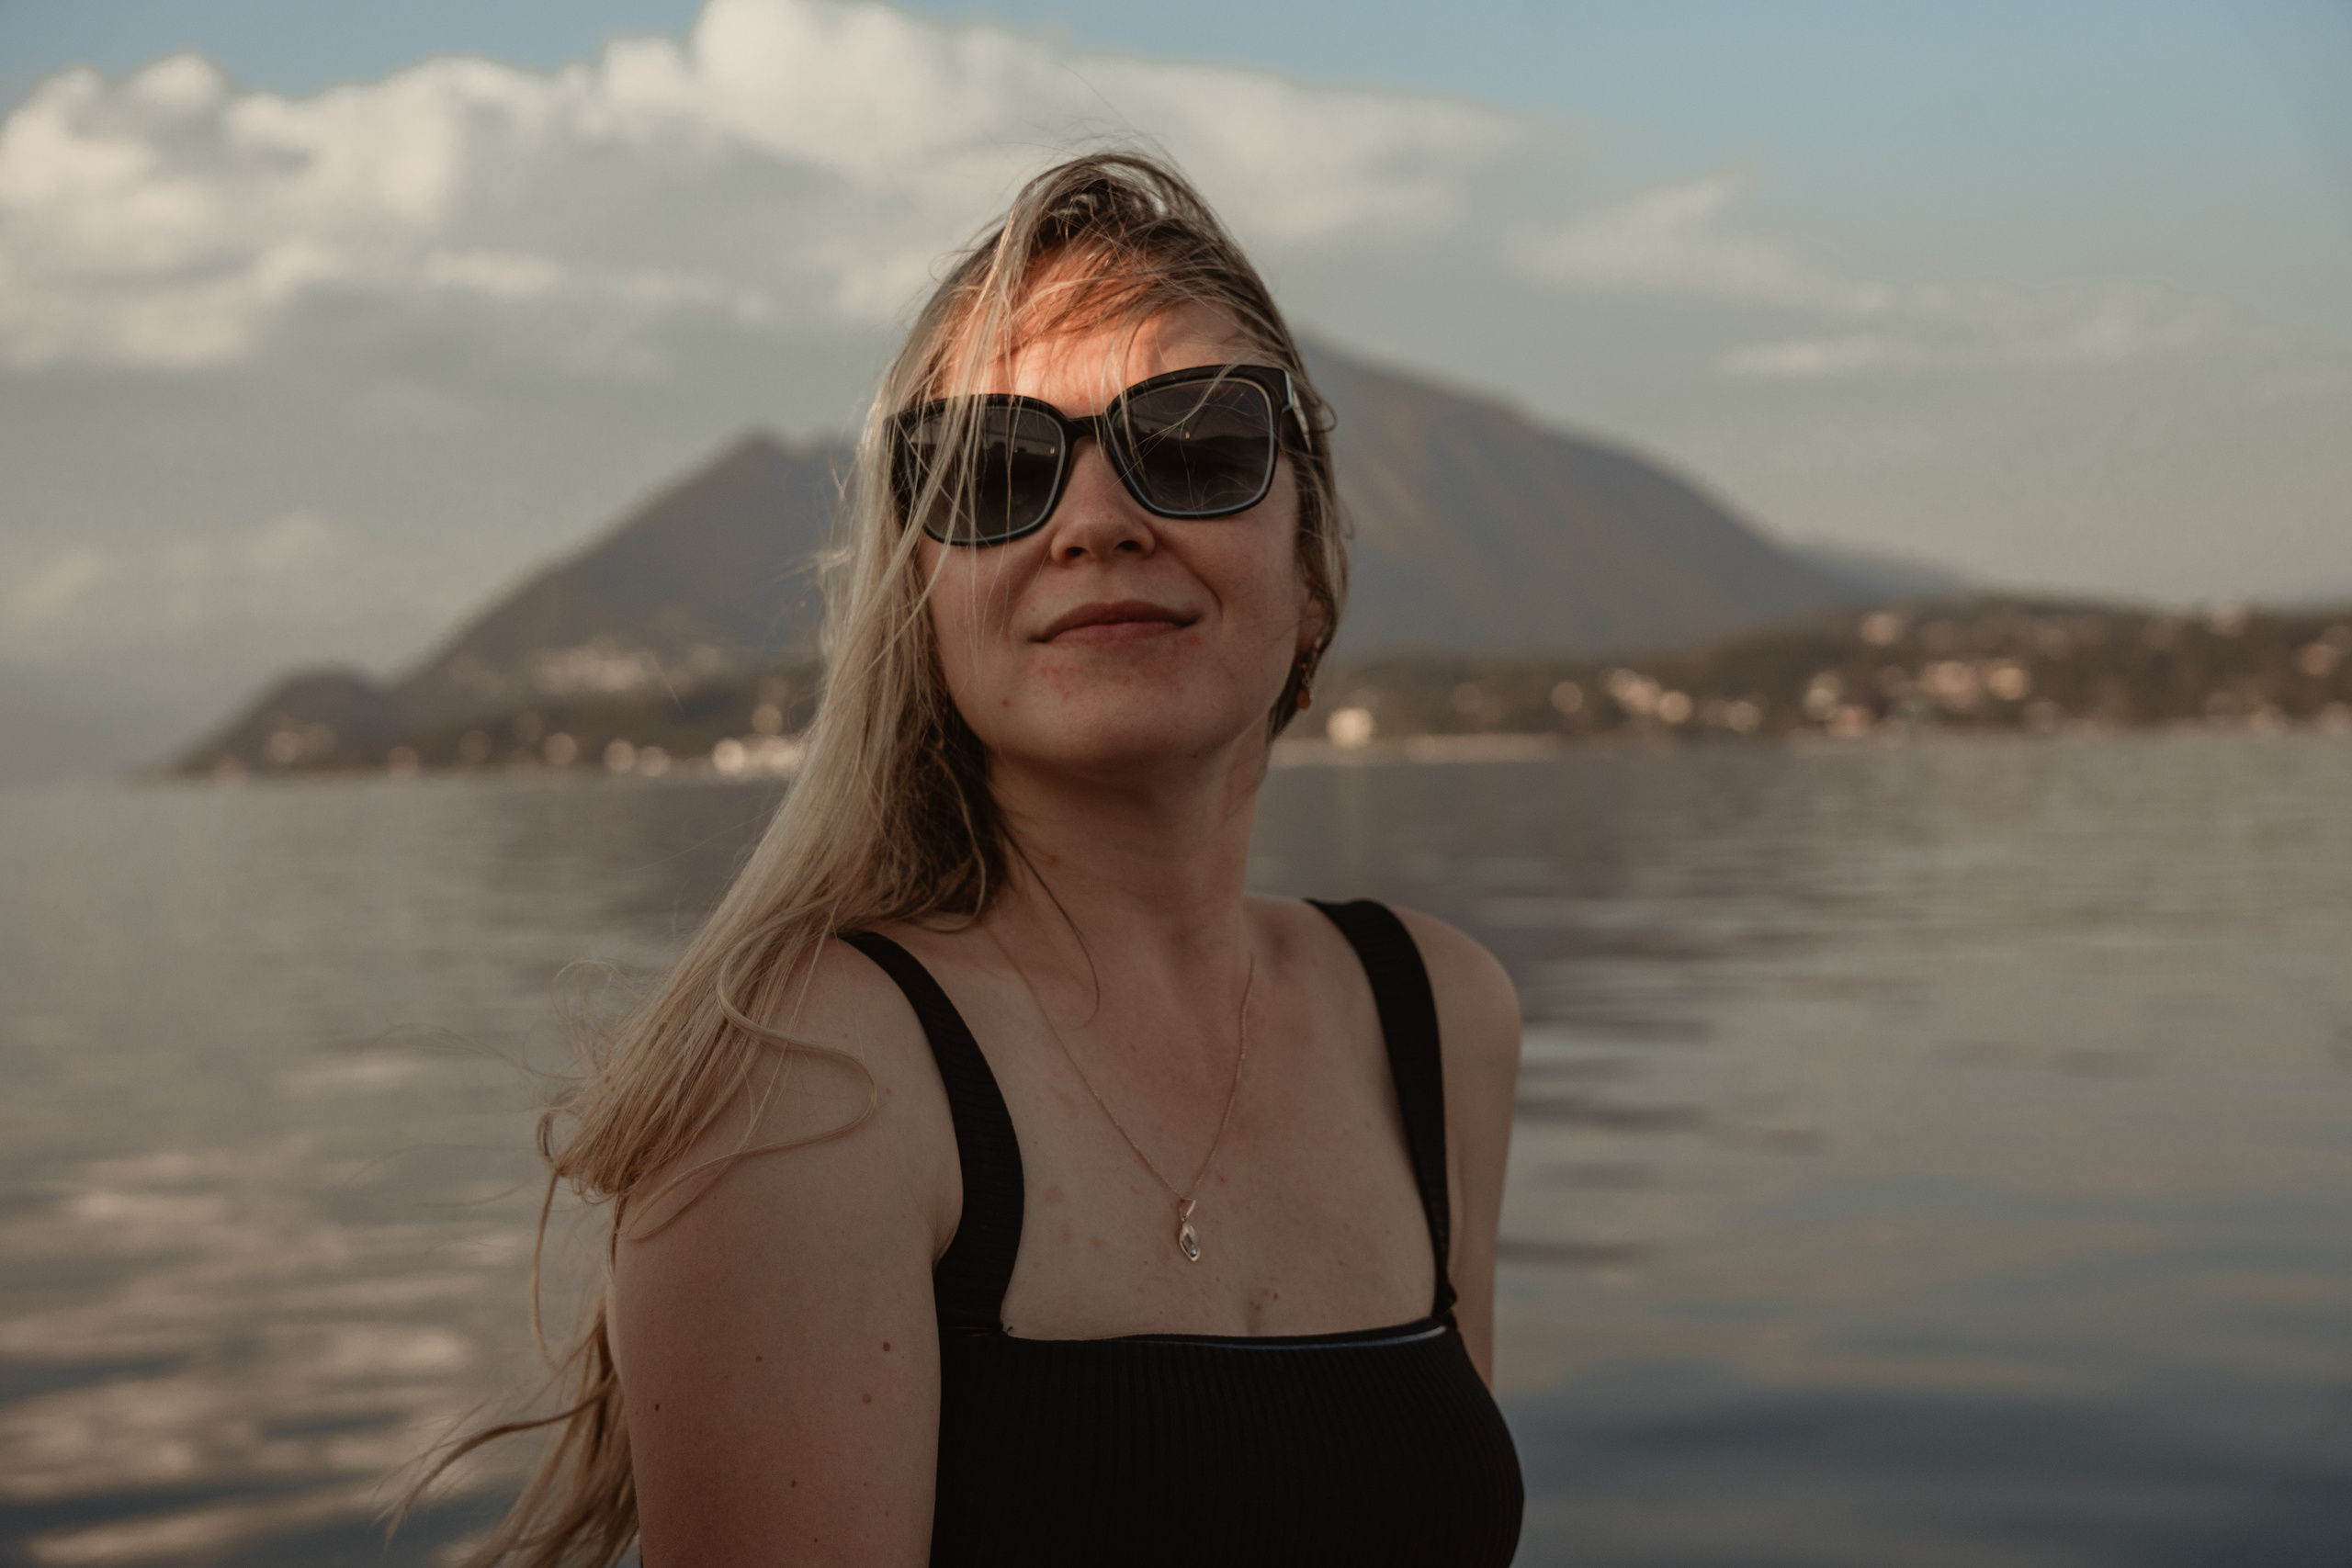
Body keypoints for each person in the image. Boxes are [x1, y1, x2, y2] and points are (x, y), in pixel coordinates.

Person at [421, 152, 1523, 1567]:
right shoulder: (807, 1083)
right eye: (997, 468)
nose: (1097, 520)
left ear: (1311, 567)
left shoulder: (1436, 1016)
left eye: (1194, 445)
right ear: (918, 604)